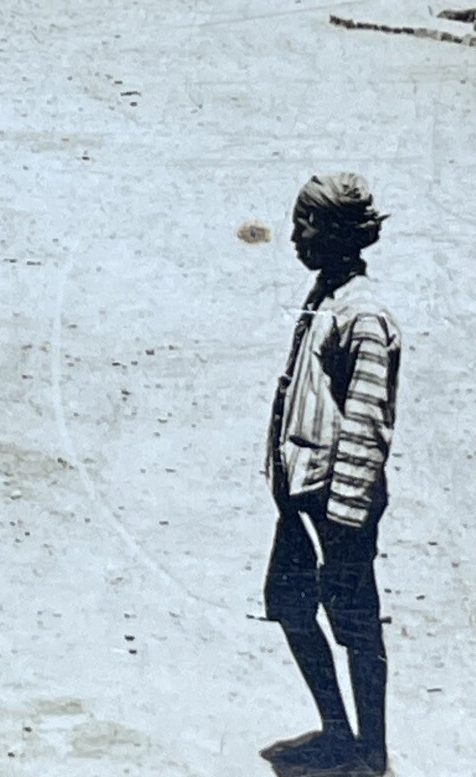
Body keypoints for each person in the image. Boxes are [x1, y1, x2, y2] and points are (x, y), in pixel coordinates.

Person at [261, 175, 400, 777]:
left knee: (355, 623)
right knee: (289, 604)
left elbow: (367, 428)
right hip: (301, 492)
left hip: (337, 501)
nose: (296, 237)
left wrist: (344, 520)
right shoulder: (323, 297)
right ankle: (338, 732)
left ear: (343, 234)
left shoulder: (364, 317)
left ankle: (371, 752)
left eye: (308, 226)